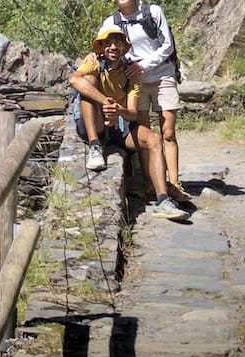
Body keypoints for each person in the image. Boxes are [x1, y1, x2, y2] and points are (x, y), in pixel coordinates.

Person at [69, 25, 189, 221]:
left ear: (124, 48)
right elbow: (74, 81)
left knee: (154, 138)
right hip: (96, 121)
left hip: (120, 125)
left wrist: (118, 110)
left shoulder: (132, 72)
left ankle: (163, 199)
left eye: (117, 43)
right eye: (108, 44)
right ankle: (95, 146)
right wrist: (105, 102)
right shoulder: (93, 63)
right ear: (101, 48)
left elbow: (133, 114)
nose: (113, 47)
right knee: (88, 87)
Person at [103, 0, 190, 203]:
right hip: (136, 82)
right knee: (144, 132)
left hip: (162, 75)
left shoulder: (153, 12)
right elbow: (101, 45)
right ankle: (150, 183)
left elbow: (167, 44)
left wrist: (143, 64)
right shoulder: (112, 22)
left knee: (168, 132)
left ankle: (175, 183)